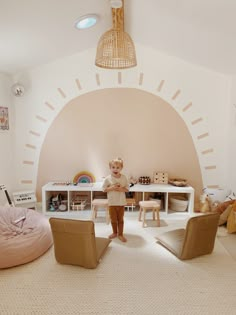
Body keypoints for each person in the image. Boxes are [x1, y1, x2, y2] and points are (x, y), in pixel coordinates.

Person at [102, 157, 129, 242]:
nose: (115, 169)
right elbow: (103, 189)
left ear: (121, 168)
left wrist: (121, 189)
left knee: (120, 219)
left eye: (118, 167)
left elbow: (127, 189)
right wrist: (112, 188)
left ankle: (120, 234)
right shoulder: (107, 178)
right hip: (112, 203)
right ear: (110, 168)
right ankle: (114, 232)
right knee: (113, 219)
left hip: (121, 203)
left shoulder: (124, 178)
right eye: (113, 167)